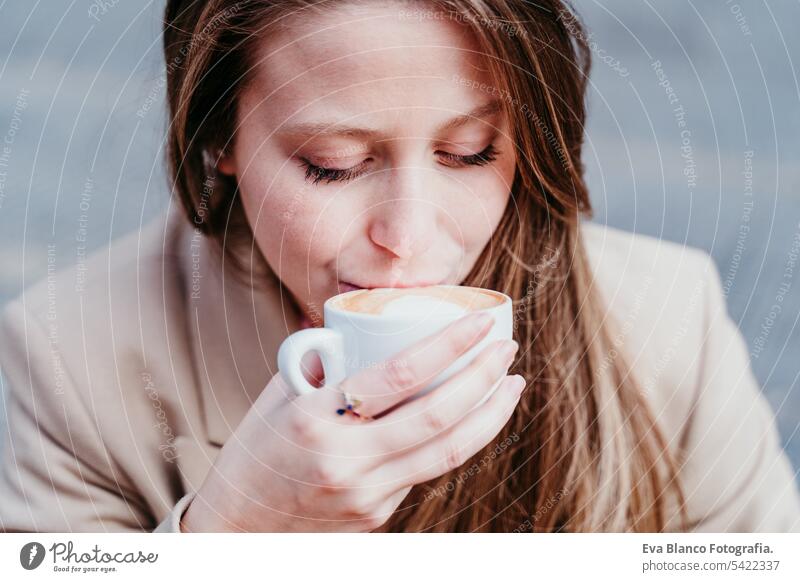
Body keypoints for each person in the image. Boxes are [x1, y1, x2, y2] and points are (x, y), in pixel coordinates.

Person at [1, 0, 798, 533]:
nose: (408, 237)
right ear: (219, 144)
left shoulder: (667, 323)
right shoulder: (66, 360)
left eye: (469, 153)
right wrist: (233, 536)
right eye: (333, 164)